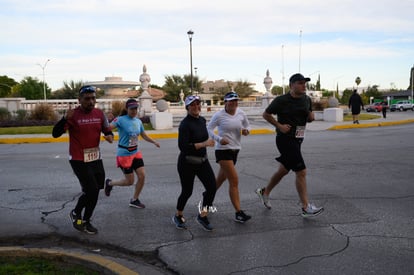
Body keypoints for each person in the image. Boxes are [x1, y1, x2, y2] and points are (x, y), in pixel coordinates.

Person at [255, 73, 324, 218]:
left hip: (298, 138)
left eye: (304, 83)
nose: (303, 85)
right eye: (300, 83)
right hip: (285, 140)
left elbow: (309, 115)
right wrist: (279, 126)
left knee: (284, 170)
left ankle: (265, 192)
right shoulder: (281, 100)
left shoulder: (306, 99)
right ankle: (305, 207)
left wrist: (311, 117)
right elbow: (266, 115)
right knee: (301, 171)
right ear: (291, 85)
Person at [52, 85, 114, 234]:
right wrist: (64, 119)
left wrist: (109, 136)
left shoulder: (100, 114)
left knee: (96, 189)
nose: (91, 101)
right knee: (91, 189)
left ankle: (82, 217)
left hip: (95, 157)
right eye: (87, 99)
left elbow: (108, 131)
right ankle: (80, 216)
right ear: (79, 100)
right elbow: (55, 134)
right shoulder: (73, 115)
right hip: (78, 159)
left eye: (93, 98)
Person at [104, 98, 160, 208]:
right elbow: (107, 128)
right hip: (124, 154)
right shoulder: (120, 120)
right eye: (132, 109)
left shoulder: (138, 121)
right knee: (129, 181)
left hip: (135, 153)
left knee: (142, 176)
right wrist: (108, 136)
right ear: (127, 108)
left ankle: (134, 199)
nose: (134, 111)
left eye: (136, 109)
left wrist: (154, 142)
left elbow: (143, 135)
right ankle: (109, 183)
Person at [173, 95, 217, 231]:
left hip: (202, 161)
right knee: (187, 191)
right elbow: (184, 147)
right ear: (187, 107)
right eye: (192, 105)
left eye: (198, 104)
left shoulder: (202, 120)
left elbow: (204, 136)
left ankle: (203, 215)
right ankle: (178, 215)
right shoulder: (185, 124)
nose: (196, 107)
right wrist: (204, 143)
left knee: (212, 187)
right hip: (187, 163)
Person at [207, 91, 252, 223]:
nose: (234, 103)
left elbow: (247, 125)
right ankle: (238, 212)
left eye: (236, 101)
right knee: (234, 180)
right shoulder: (219, 115)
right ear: (225, 102)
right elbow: (209, 129)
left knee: (219, 181)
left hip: (235, 150)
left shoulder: (241, 113)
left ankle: (206, 198)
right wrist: (219, 139)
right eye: (231, 101)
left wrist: (247, 130)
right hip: (223, 151)